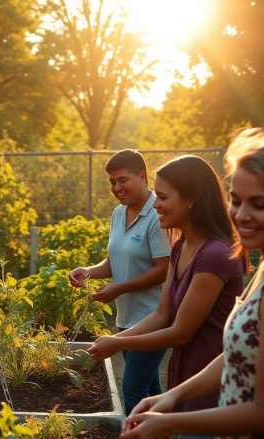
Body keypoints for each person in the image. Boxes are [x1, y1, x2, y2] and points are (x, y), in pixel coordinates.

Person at [121, 129, 264, 438]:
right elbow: (240, 352)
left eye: (259, 204)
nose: (242, 215)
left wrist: (169, 422)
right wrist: (172, 396)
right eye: (235, 201)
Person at [87, 155, 246, 429]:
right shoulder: (180, 246)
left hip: (211, 383)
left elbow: (180, 330)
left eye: (162, 197)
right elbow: (163, 315)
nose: (156, 204)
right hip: (186, 378)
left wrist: (119, 343)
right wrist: (115, 337)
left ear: (192, 199)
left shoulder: (214, 255)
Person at [69, 149, 171, 414]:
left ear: (141, 176)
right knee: (149, 387)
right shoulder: (118, 213)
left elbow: (163, 269)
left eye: (122, 180)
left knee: (133, 388)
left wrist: (118, 289)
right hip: (127, 318)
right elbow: (114, 261)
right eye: (112, 182)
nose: (116, 187)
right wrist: (87, 271)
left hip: (153, 318)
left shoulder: (157, 215)